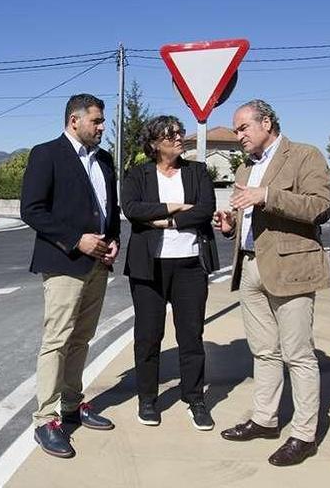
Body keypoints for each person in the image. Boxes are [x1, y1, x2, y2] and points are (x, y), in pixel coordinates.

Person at [215, 99, 330, 466]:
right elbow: (244, 216)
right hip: (250, 266)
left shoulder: (304, 155)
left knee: (298, 355)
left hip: (290, 269)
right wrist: (231, 226)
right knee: (264, 351)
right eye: (236, 131)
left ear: (266, 123)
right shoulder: (245, 167)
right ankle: (265, 419)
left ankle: (303, 434)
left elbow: (319, 206)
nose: (238, 137)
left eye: (243, 128)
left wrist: (266, 196)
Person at [20, 93, 121, 459]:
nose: (102, 127)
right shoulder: (46, 154)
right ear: (74, 120)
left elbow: (111, 208)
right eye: (96, 121)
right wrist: (76, 239)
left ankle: (72, 405)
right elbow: (31, 210)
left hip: (98, 263)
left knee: (82, 338)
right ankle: (46, 420)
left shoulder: (105, 159)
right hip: (64, 262)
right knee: (57, 340)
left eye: (102, 120)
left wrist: (114, 241)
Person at [121, 115, 219, 431]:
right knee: (148, 337)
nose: (179, 137)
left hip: (190, 265)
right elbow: (132, 209)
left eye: (180, 132)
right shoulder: (137, 174)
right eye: (170, 134)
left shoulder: (197, 172)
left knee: (191, 336)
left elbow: (205, 209)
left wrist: (168, 220)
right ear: (153, 143)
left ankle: (196, 400)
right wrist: (176, 207)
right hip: (149, 266)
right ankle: (147, 400)